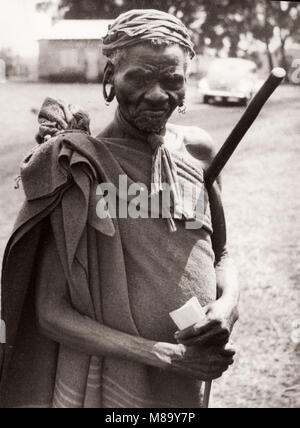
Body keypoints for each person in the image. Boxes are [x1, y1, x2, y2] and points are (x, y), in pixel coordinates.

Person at [0, 9, 239, 408]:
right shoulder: (79, 167)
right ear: (110, 78)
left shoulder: (199, 152)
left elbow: (224, 254)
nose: (158, 94)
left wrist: (228, 307)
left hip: (188, 381)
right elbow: (49, 312)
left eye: (172, 79)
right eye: (139, 78)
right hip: (109, 380)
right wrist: (163, 355)